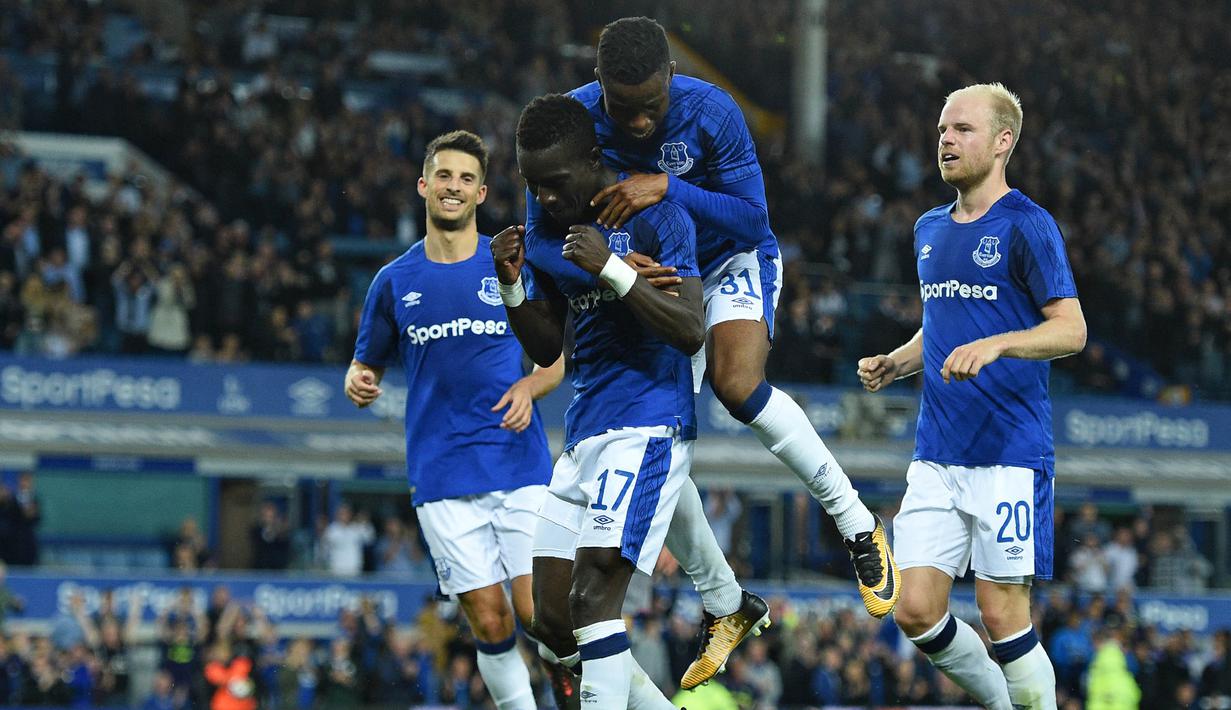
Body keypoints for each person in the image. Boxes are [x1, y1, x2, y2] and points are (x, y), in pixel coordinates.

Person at [528, 17, 898, 643]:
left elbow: (754, 221)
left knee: (736, 385)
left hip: (727, 261)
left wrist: (669, 187)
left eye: (652, 108)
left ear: (672, 77)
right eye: (625, 111)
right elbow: (543, 229)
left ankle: (856, 522)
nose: (640, 124)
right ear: (599, 87)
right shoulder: (575, 121)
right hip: (652, 277)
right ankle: (724, 600)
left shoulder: (713, 112)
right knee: (660, 431)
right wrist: (614, 262)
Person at [858, 83, 1087, 709]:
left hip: (1008, 454)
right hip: (936, 453)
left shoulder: (1028, 226)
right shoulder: (929, 228)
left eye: (962, 130)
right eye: (941, 131)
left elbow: (1071, 328)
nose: (946, 141)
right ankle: (1002, 701)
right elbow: (944, 319)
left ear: (1002, 142)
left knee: (1000, 610)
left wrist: (999, 345)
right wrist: (898, 362)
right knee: (913, 609)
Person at [496, 92, 706, 710]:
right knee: (550, 619)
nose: (547, 199)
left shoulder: (657, 218)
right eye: (533, 186)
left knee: (593, 605)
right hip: (584, 430)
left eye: (556, 183)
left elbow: (691, 328)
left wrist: (613, 267)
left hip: (648, 424)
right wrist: (512, 289)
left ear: (593, 158)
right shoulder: (544, 230)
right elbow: (547, 345)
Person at [345, 130, 568, 710]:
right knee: (490, 623)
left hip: (517, 464)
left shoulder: (510, 262)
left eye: (466, 179)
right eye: (444, 175)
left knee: (537, 613)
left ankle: (584, 695)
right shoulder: (394, 281)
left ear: (481, 192)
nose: (453, 187)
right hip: (442, 476)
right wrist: (358, 379)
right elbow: (365, 364)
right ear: (424, 185)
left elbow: (557, 358)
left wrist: (528, 383)